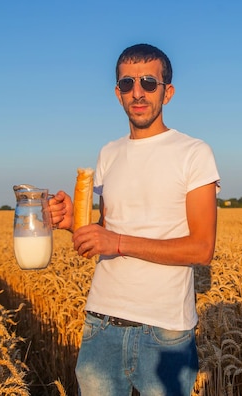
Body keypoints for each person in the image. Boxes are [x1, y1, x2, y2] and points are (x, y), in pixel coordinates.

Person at [49, 43, 220, 396]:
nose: (137, 92)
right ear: (117, 93)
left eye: (148, 82)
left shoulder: (194, 153)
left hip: (165, 332)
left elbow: (202, 248)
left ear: (167, 92)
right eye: (127, 84)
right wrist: (72, 223)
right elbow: (106, 229)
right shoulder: (108, 153)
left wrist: (119, 243)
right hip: (101, 323)